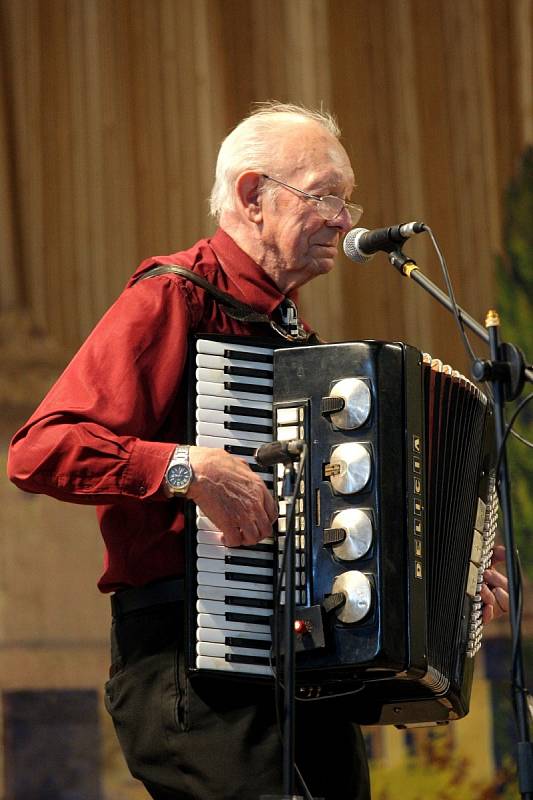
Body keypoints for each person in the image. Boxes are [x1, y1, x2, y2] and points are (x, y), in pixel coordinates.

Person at [7, 102, 508, 800]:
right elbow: (40, 450)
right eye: (325, 195)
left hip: (297, 676)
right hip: (191, 669)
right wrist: (189, 467)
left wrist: (448, 593)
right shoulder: (173, 298)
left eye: (346, 198)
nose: (343, 217)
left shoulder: (295, 343)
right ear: (252, 195)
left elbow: (335, 539)